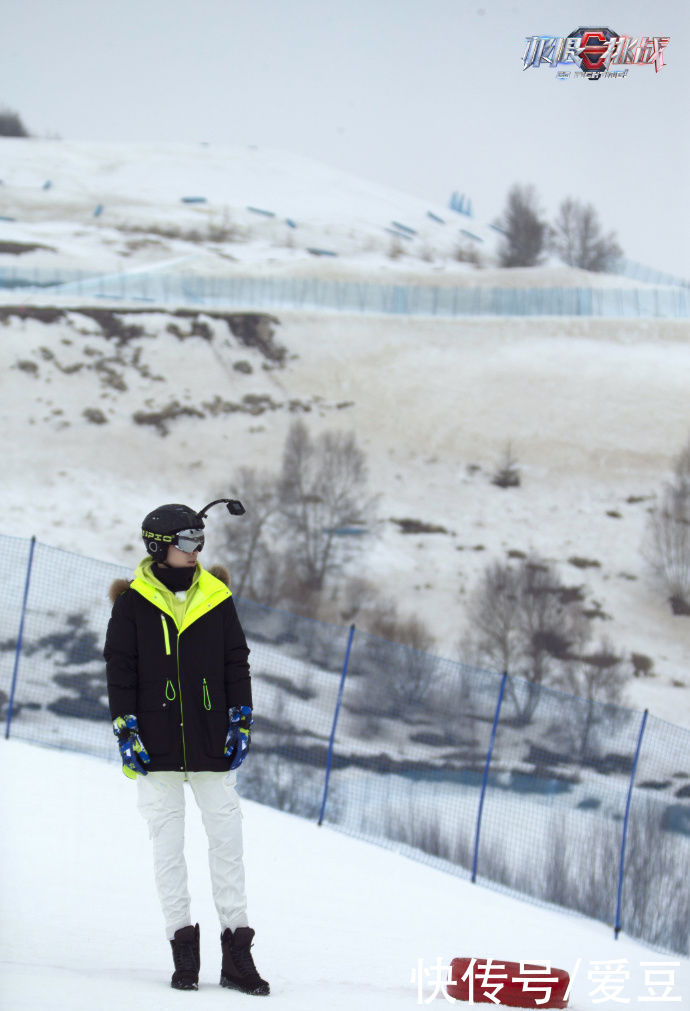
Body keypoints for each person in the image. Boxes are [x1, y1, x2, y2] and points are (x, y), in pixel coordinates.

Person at [103, 500, 269, 995]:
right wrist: (125, 727)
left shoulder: (218, 598)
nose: (196, 551)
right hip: (156, 749)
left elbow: (235, 661)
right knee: (168, 850)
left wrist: (240, 716)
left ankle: (238, 957)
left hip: (210, 742)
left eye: (201, 541)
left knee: (228, 844)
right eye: (187, 542)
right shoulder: (132, 604)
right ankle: (184, 956)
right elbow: (120, 667)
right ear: (160, 546)